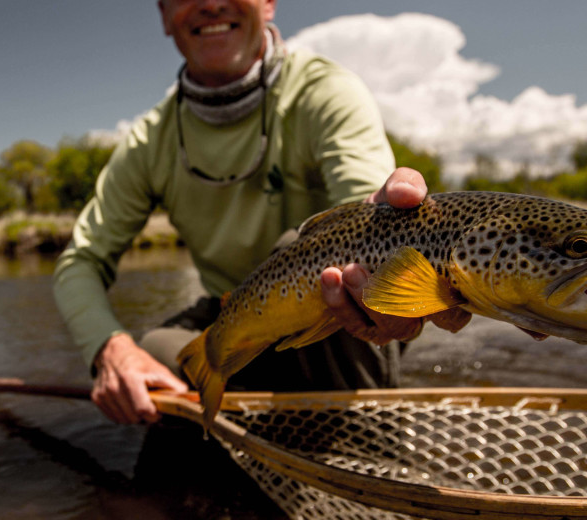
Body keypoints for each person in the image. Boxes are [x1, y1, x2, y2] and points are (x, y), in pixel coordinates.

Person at [53, 0, 446, 426]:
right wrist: (110, 348)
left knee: (318, 255)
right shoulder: (148, 143)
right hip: (231, 312)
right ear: (165, 16)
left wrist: (388, 224)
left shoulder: (325, 91)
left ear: (268, 4)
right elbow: (81, 261)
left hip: (339, 315)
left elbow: (366, 216)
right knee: (152, 353)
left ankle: (360, 435)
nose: (209, 4)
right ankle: (256, 415)